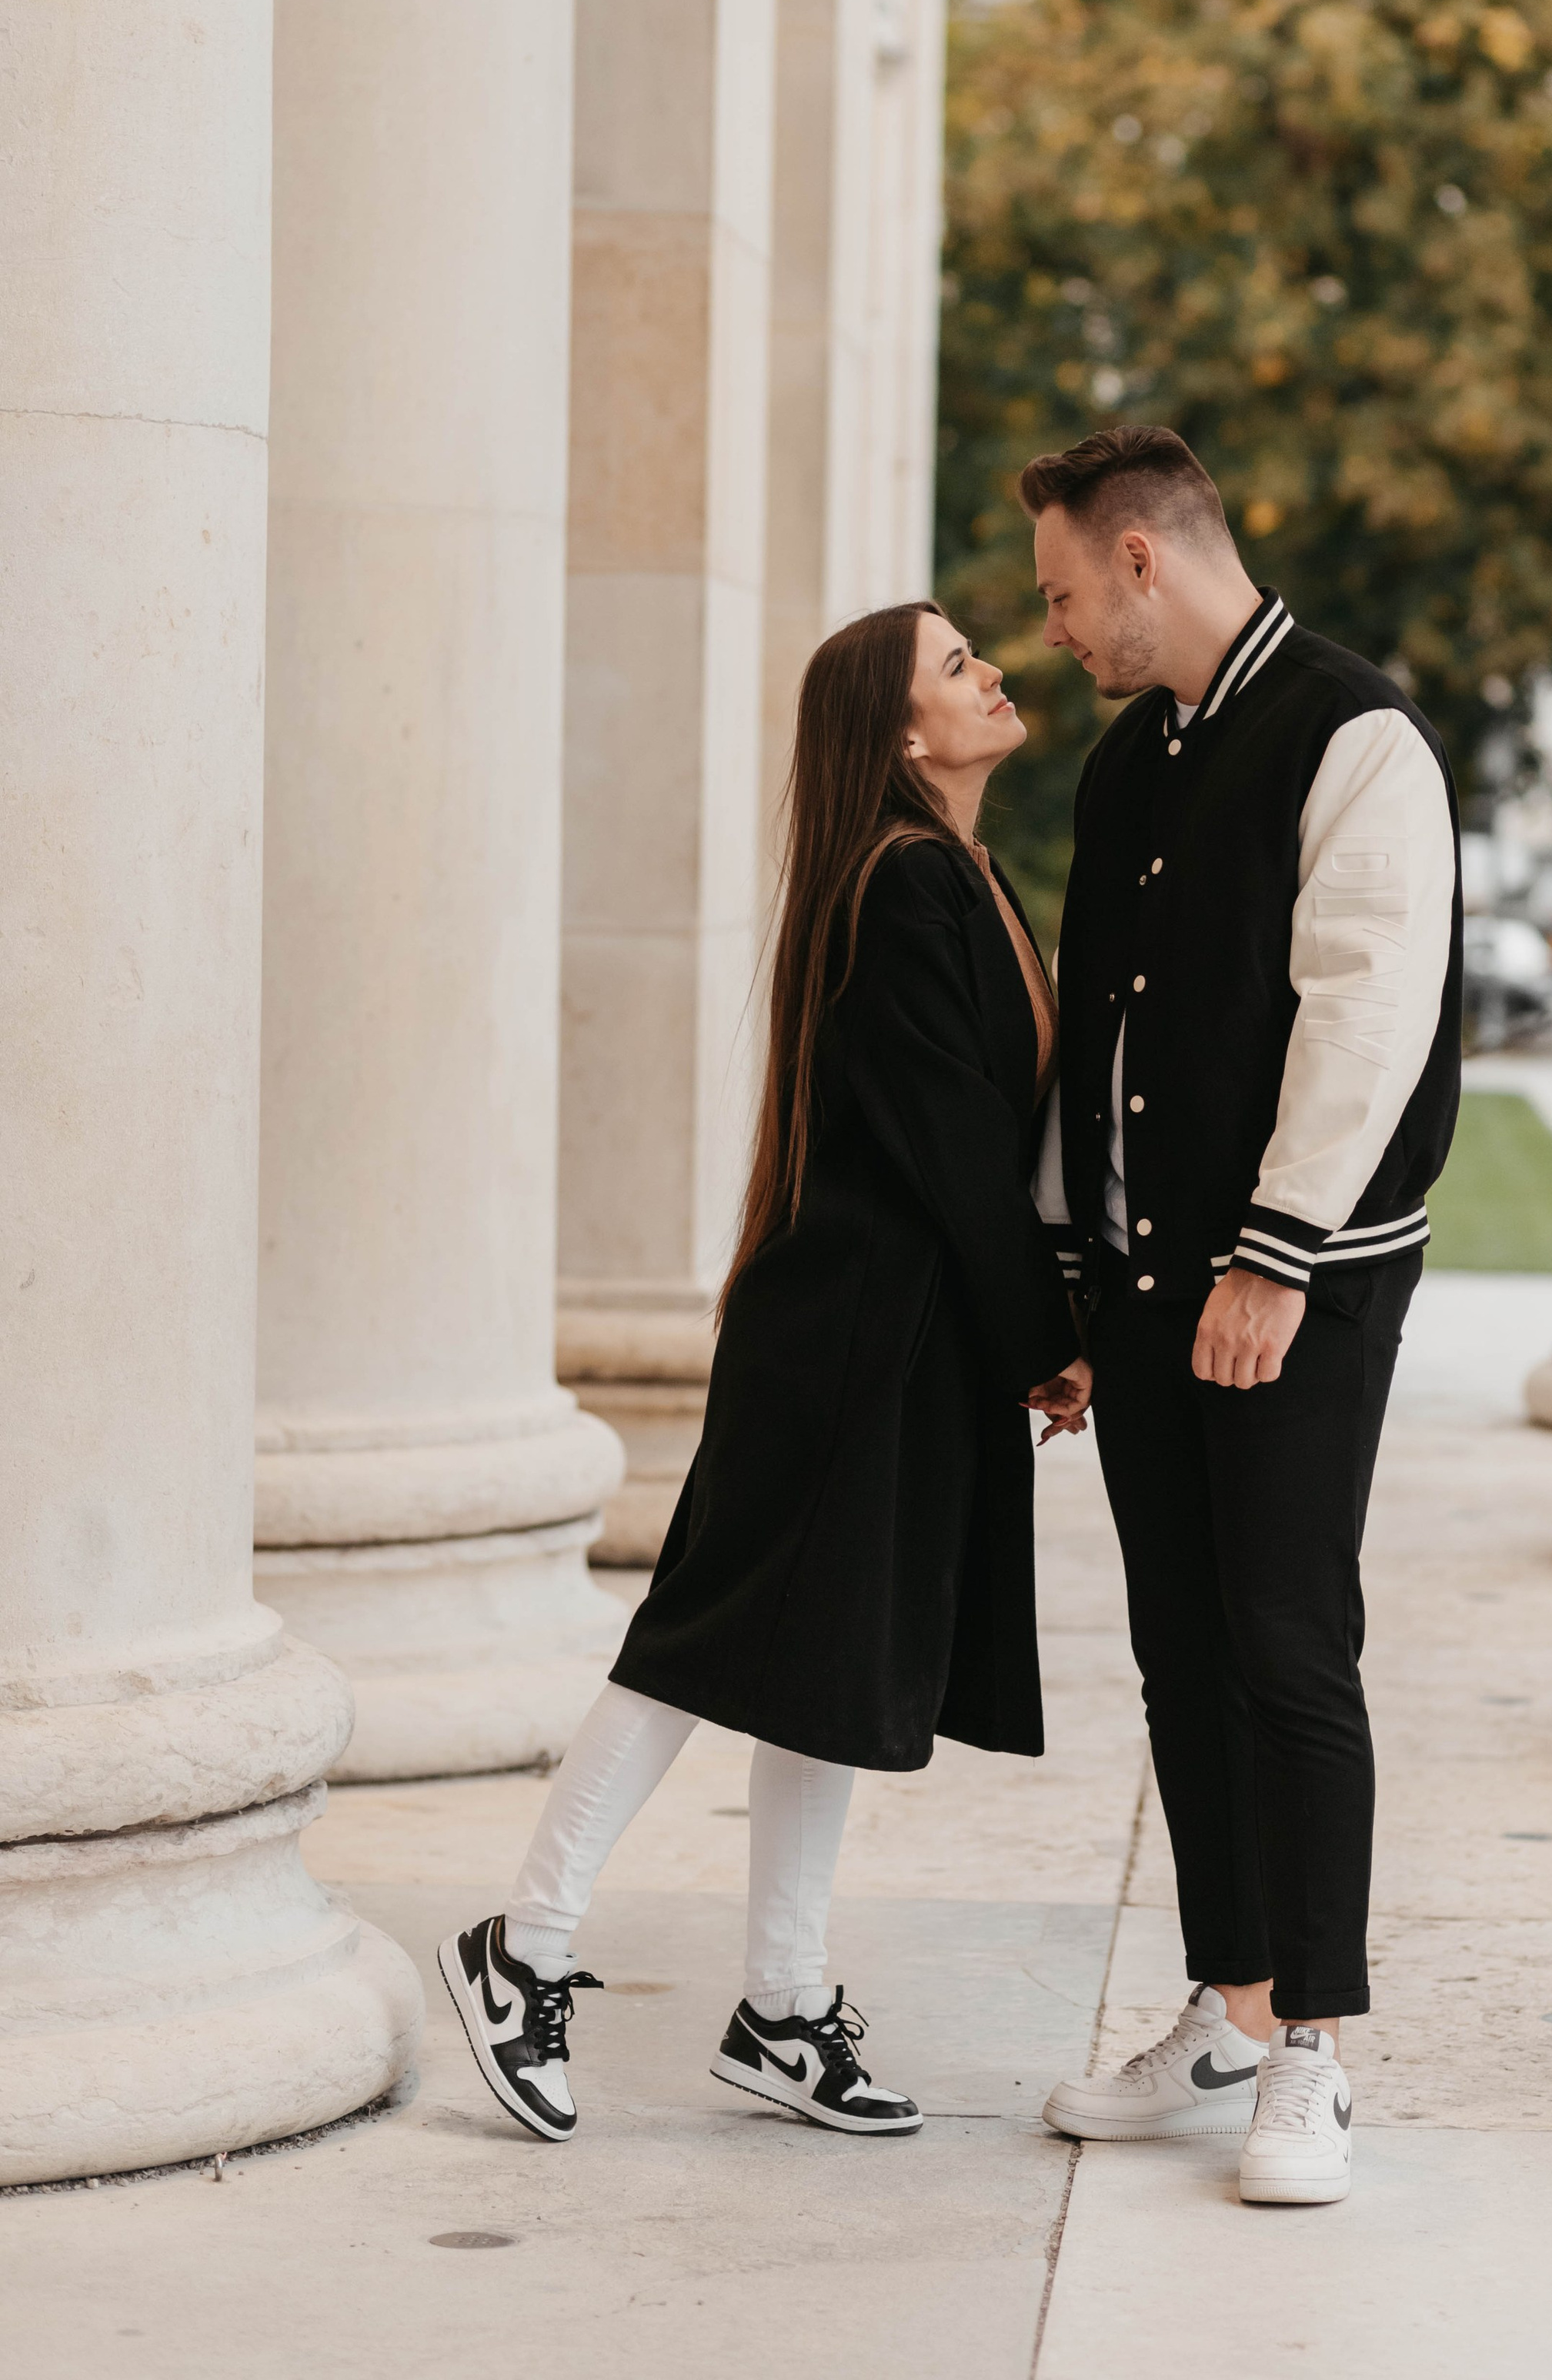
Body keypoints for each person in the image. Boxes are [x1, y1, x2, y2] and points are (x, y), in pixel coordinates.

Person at [440, 603, 1089, 2145]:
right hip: (846, 1345)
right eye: (952, 665)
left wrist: (1020, 1333)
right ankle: (520, 1945)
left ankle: (782, 2008)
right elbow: (949, 1152)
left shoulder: (957, 877)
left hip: (894, 1345)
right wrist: (1045, 1338)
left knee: (831, 1671)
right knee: (703, 1643)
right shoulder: (905, 886)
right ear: (902, 736)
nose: (990, 668)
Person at [1025, 426, 1460, 2208]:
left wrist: (1274, 1256)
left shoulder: (1356, 735)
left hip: (1296, 1281)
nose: (1048, 626)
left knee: (1288, 1646)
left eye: (1059, 590)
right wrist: (1066, 1283)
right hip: (1140, 1287)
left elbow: (1366, 1010)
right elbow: (1096, 1032)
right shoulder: (1129, 762)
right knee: (1178, 1649)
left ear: (1141, 557)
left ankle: (1314, 2052)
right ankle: (1227, 1998)